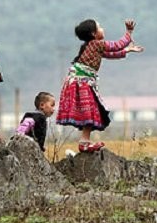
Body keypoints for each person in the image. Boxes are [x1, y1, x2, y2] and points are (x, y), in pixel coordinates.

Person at [56, 18, 143, 152]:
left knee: (90, 112)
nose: (102, 28)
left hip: (81, 83)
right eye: (99, 27)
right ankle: (84, 143)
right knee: (90, 112)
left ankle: (84, 143)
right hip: (81, 83)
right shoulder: (96, 44)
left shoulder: (93, 46)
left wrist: (128, 51)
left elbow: (111, 54)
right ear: (93, 34)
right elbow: (117, 45)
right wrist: (128, 33)